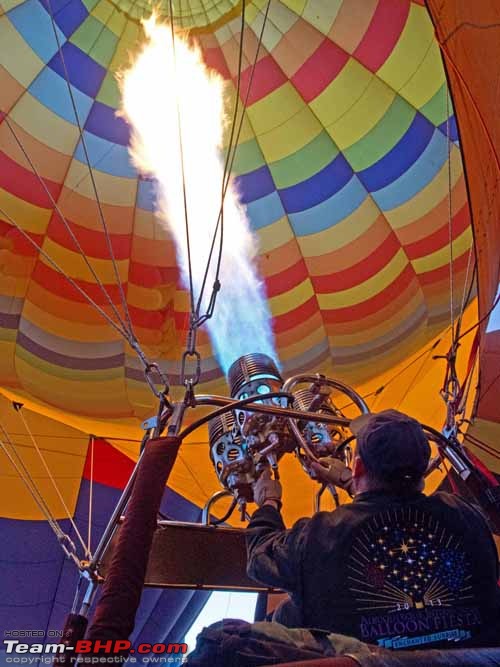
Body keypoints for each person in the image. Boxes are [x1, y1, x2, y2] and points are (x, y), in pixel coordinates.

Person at [246, 409, 500, 650]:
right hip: (471, 659)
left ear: (358, 467)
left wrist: (268, 503)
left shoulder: (320, 534)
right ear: (423, 467)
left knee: (285, 615)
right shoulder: (464, 516)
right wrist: (352, 484)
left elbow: (260, 559)